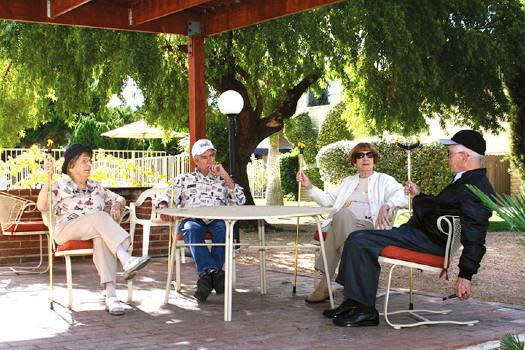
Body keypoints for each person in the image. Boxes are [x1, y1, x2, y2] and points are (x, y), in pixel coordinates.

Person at [325, 130, 495, 327]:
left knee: (360, 239)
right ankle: (353, 302)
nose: (448, 158)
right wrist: (420, 195)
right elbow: (442, 205)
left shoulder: (476, 188)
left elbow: (476, 234)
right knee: (357, 237)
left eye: (450, 153)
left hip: (428, 242)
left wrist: (466, 275)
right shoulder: (466, 180)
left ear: (465, 156)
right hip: (420, 235)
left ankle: (365, 310)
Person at [37, 144, 151, 316]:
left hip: (95, 228)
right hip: (67, 229)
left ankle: (111, 295)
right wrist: (47, 178)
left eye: (90, 161)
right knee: (99, 217)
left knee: (101, 237)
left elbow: (120, 198)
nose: (89, 165)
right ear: (71, 165)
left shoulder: (95, 186)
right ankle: (125, 258)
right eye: (84, 161)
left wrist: (117, 205)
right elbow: (42, 206)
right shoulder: (59, 185)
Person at [296, 143, 407, 303]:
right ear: (354, 162)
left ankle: (324, 286)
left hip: (370, 227)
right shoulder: (348, 181)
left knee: (336, 226)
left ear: (374, 159)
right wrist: (309, 186)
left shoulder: (384, 180)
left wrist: (388, 204)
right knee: (341, 214)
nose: (365, 158)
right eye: (360, 156)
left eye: (369, 155)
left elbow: (402, 195)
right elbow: (329, 200)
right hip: (345, 224)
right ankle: (349, 266)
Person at [156, 139, 246, 302]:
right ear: (196, 161)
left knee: (224, 230)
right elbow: (166, 196)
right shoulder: (184, 179)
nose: (210, 160)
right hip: (193, 218)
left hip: (217, 218)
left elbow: (240, 201)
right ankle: (215, 275)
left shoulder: (222, 180)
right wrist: (163, 204)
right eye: (205, 157)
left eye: (212, 156)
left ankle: (206, 278)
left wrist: (225, 175)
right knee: (191, 228)